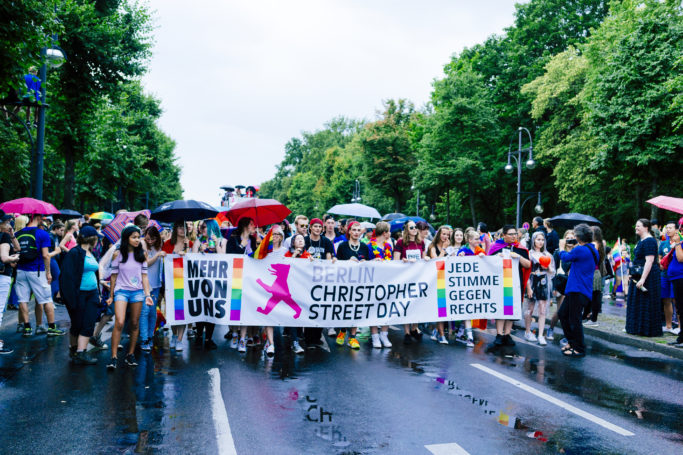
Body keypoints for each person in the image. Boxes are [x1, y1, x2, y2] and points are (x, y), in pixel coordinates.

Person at [106, 225, 153, 369]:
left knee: (134, 323)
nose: (137, 240)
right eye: (134, 237)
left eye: (138, 237)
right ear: (126, 238)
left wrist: (147, 295)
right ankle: (113, 357)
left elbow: (144, 276)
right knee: (119, 322)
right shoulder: (117, 254)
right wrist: (111, 295)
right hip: (121, 291)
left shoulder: (142, 254)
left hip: (137, 292)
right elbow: (113, 276)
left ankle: (130, 354)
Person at [16, 214, 65, 337]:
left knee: (23, 299)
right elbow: (45, 255)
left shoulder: (18, 233)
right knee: (46, 298)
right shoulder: (42, 234)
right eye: (41, 218)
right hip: (37, 271)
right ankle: (51, 327)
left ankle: (27, 328)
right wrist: (48, 272)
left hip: (21, 270)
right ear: (37, 218)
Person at [59, 226, 102, 365]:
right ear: (92, 238)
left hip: (92, 293)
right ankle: (73, 349)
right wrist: (69, 297)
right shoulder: (75, 253)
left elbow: (95, 273)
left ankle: (81, 352)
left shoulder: (90, 253)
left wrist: (99, 292)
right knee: (77, 324)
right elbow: (66, 276)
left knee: (89, 322)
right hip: (78, 294)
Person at [557, 223, 599, 357]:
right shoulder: (592, 249)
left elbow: (564, 257)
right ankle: (572, 342)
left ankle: (579, 348)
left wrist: (561, 247)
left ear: (579, 237)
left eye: (575, 235)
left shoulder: (581, 250)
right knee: (563, 314)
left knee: (574, 320)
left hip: (577, 289)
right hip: (581, 290)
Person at [488, 225, 531, 348]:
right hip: (500, 283)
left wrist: (519, 257)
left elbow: (528, 265)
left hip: (516, 283)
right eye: (511, 234)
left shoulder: (520, 249)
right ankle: (499, 334)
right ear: (504, 235)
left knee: (512, 308)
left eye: (515, 234)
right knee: (501, 308)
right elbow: (487, 263)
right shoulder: (496, 247)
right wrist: (496, 258)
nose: (514, 236)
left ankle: (507, 334)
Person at [334, 221, 370, 349]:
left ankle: (353, 337)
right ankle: (343, 330)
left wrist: (366, 262)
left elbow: (369, 265)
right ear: (349, 231)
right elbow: (337, 264)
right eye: (353, 230)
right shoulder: (343, 246)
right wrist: (348, 262)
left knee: (357, 309)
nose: (356, 232)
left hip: (360, 283)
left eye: (358, 230)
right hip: (345, 283)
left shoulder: (365, 247)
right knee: (345, 308)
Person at [625, 219, 662, 337]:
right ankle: (636, 327)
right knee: (637, 302)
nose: (636, 228)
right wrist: (633, 273)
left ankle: (646, 330)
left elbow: (649, 261)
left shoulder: (650, 241)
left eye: (638, 226)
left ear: (646, 227)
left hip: (649, 276)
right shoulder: (641, 240)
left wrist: (643, 279)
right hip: (638, 273)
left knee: (646, 302)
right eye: (636, 226)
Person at [225, 217, 257, 352]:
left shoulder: (254, 240)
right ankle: (234, 334)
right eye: (252, 224)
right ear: (245, 226)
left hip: (248, 278)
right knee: (234, 307)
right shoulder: (233, 239)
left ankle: (242, 338)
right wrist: (242, 246)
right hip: (235, 277)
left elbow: (255, 258)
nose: (254, 227)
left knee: (245, 308)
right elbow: (230, 257)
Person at [393, 220, 426, 344]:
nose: (414, 229)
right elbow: (395, 260)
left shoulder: (421, 242)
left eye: (415, 227)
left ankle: (414, 328)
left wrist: (426, 258)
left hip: (418, 277)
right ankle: (406, 332)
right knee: (406, 303)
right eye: (411, 227)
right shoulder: (401, 242)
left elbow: (423, 258)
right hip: (406, 277)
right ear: (406, 229)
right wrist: (404, 260)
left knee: (416, 303)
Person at [163, 221, 193, 351]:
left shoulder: (190, 243)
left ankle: (180, 339)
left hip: (185, 282)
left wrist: (187, 251)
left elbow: (194, 262)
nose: (182, 229)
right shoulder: (167, 243)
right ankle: (174, 335)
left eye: (184, 227)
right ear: (175, 229)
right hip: (170, 282)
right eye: (180, 227)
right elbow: (163, 262)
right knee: (172, 311)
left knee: (183, 311)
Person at [524, 231, 555, 346]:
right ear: (533, 240)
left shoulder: (548, 255)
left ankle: (541, 335)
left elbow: (553, 272)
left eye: (542, 240)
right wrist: (528, 287)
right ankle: (527, 331)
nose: (540, 242)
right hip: (532, 282)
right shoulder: (529, 254)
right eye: (538, 239)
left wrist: (546, 267)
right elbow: (526, 272)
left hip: (543, 282)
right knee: (530, 309)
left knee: (542, 310)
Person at [367, 221, 393, 349]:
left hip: (387, 281)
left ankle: (384, 334)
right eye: (389, 231)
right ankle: (375, 336)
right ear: (384, 233)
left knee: (386, 307)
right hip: (373, 281)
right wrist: (372, 261)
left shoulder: (388, 247)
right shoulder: (369, 246)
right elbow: (363, 264)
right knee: (374, 308)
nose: (390, 233)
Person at [140, 226, 166, 351]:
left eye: (153, 239)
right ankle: (144, 339)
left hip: (156, 285)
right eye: (148, 238)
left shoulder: (159, 246)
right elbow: (145, 263)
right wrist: (157, 256)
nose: (150, 241)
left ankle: (150, 337)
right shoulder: (142, 245)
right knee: (144, 312)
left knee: (152, 313)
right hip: (144, 286)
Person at [547, 230, 575, 340]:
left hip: (573, 284)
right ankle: (551, 328)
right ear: (564, 239)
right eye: (567, 238)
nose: (569, 240)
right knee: (561, 311)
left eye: (572, 237)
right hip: (562, 284)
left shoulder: (577, 252)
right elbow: (552, 271)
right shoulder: (558, 252)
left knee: (571, 312)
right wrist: (554, 287)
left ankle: (567, 336)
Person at [427, 225, 452, 345]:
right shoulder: (432, 247)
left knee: (445, 309)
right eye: (443, 234)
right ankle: (441, 334)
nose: (445, 236)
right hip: (436, 281)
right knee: (440, 309)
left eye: (447, 235)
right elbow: (436, 261)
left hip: (447, 280)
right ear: (438, 235)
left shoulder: (450, 247)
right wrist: (444, 250)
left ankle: (438, 331)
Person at [0, 213, 20, 354]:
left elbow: (17, 247)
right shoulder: (3, 237)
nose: (9, 224)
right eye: (7, 221)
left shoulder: (7, 235)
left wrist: (12, 235)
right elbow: (4, 257)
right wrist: (14, 258)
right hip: (2, 276)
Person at [583, 226, 606, 327]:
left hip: (593, 272)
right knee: (593, 296)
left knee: (594, 297)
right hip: (595, 272)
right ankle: (589, 316)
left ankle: (593, 319)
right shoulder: (600, 244)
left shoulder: (594, 245)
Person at [659, 221, 679, 335]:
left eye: (671, 228)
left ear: (676, 230)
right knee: (666, 300)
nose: (668, 230)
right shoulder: (663, 244)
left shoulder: (680, 243)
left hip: (676, 275)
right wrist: (661, 263)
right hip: (664, 275)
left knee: (677, 300)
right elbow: (659, 258)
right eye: (667, 228)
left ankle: (680, 327)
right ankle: (668, 325)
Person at [666, 221, 683, 347]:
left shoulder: (680, 242)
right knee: (680, 309)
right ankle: (681, 337)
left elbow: (681, 258)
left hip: (681, 277)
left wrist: (677, 243)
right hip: (676, 278)